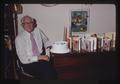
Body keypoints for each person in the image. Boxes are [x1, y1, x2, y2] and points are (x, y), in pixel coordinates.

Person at [15, 15, 57, 79]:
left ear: (33, 23)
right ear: (22, 25)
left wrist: (47, 53)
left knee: (50, 69)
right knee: (48, 70)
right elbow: (23, 59)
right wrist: (39, 57)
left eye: (30, 22)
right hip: (28, 63)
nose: (29, 25)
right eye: (26, 23)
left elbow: (46, 41)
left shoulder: (38, 31)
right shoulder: (19, 39)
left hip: (41, 59)